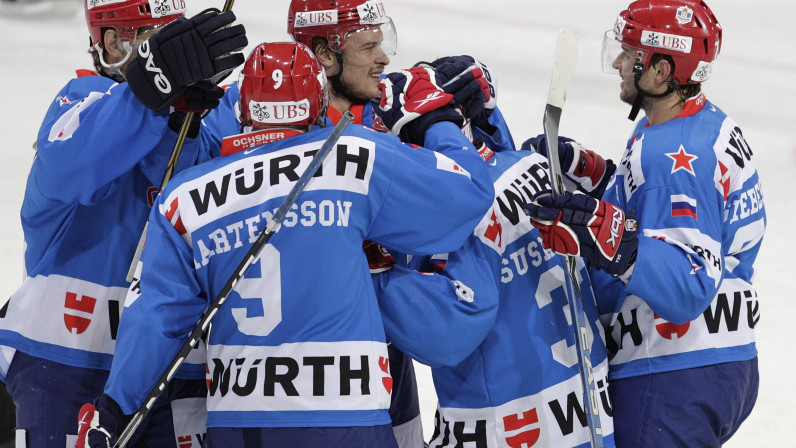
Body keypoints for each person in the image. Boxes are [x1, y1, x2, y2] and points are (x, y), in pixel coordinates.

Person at [76, 40, 494, 448]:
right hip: (344, 416)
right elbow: (468, 196)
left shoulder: (184, 197)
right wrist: (437, 122)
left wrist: (114, 408)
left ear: (243, 111)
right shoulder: (354, 155)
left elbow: (155, 318)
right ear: (317, 104)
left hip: (239, 422)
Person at [0, 1, 247, 446]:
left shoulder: (201, 120)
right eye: (161, 42)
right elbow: (76, 165)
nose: (178, 55)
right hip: (67, 363)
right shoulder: (78, 101)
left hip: (175, 369)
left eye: (179, 39)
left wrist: (181, 123)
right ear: (114, 43)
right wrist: (152, 89)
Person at [526, 1, 764, 446]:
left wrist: (611, 238)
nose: (618, 62)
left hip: (671, 371)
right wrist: (597, 175)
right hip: (721, 360)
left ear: (659, 70)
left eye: (630, 54)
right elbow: (669, 214)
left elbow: (688, 285)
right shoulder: (700, 123)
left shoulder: (671, 159)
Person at [371, 60, 616, 447]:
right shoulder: (534, 166)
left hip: (506, 427)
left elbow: (451, 331)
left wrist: (374, 278)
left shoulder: (446, 216)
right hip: (590, 415)